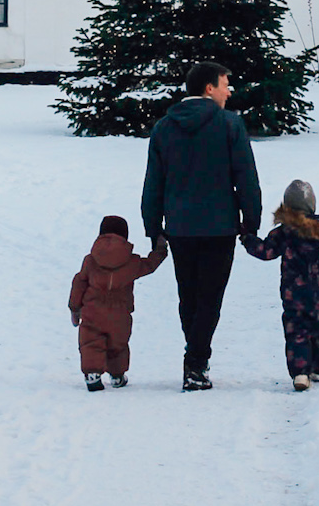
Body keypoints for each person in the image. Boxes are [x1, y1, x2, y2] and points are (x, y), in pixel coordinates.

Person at [142, 61, 262, 391]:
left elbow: (154, 182)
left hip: (179, 227)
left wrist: (153, 227)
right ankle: (196, 362)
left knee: (189, 296)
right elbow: (246, 178)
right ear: (209, 88)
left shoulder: (164, 127)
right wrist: (250, 222)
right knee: (210, 298)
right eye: (225, 84)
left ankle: (195, 356)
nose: (228, 91)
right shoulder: (229, 125)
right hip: (220, 227)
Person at [241, 180, 319, 391]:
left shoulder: (285, 232)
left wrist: (248, 239)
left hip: (294, 295)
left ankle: (300, 373)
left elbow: (266, 251)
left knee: (296, 332)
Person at [68, 215, 168, 391]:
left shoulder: (90, 260)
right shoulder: (132, 262)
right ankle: (117, 375)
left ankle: (92, 374)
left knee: (91, 341)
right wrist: (160, 249)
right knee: (118, 345)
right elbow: (150, 265)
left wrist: (75, 308)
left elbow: (79, 282)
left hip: (93, 311)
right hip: (120, 314)